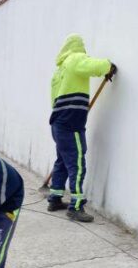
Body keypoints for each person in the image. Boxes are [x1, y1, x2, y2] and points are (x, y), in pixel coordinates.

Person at [48, 33, 116, 222]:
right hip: (71, 123)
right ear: (78, 46)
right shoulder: (75, 59)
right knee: (77, 163)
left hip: (58, 122)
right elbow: (95, 66)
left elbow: (53, 98)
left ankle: (54, 198)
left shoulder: (59, 70)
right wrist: (109, 66)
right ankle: (76, 206)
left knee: (62, 160)